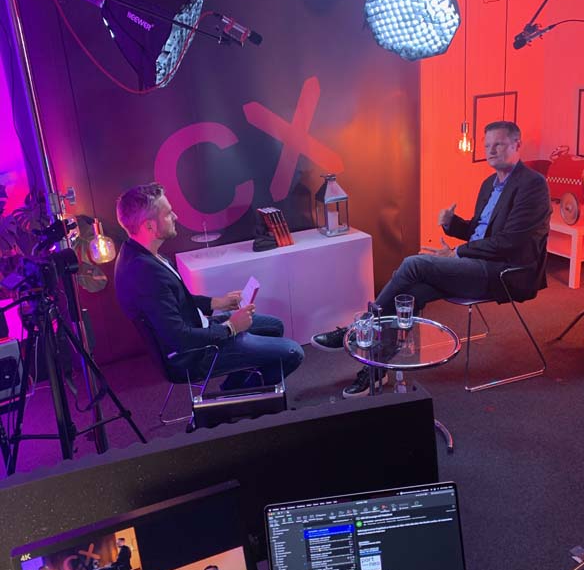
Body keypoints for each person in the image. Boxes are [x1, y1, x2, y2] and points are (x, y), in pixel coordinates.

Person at [311, 121, 551, 397]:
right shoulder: (489, 184)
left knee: (415, 264)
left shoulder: (533, 185)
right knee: (411, 295)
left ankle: (359, 328)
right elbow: (480, 231)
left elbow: (510, 242)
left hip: (505, 272)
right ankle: (377, 369)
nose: (491, 150)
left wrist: (457, 253)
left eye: (498, 144)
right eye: (487, 145)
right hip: (476, 265)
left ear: (517, 145)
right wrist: (452, 223)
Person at [114, 183, 303, 390]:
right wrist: (231, 327)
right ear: (149, 226)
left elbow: (177, 299)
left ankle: (234, 389)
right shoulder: (144, 273)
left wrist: (218, 302)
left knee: (274, 326)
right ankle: (241, 398)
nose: (175, 217)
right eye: (168, 214)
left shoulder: (141, 253)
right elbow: (179, 338)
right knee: (293, 353)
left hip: (200, 328)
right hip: (192, 356)